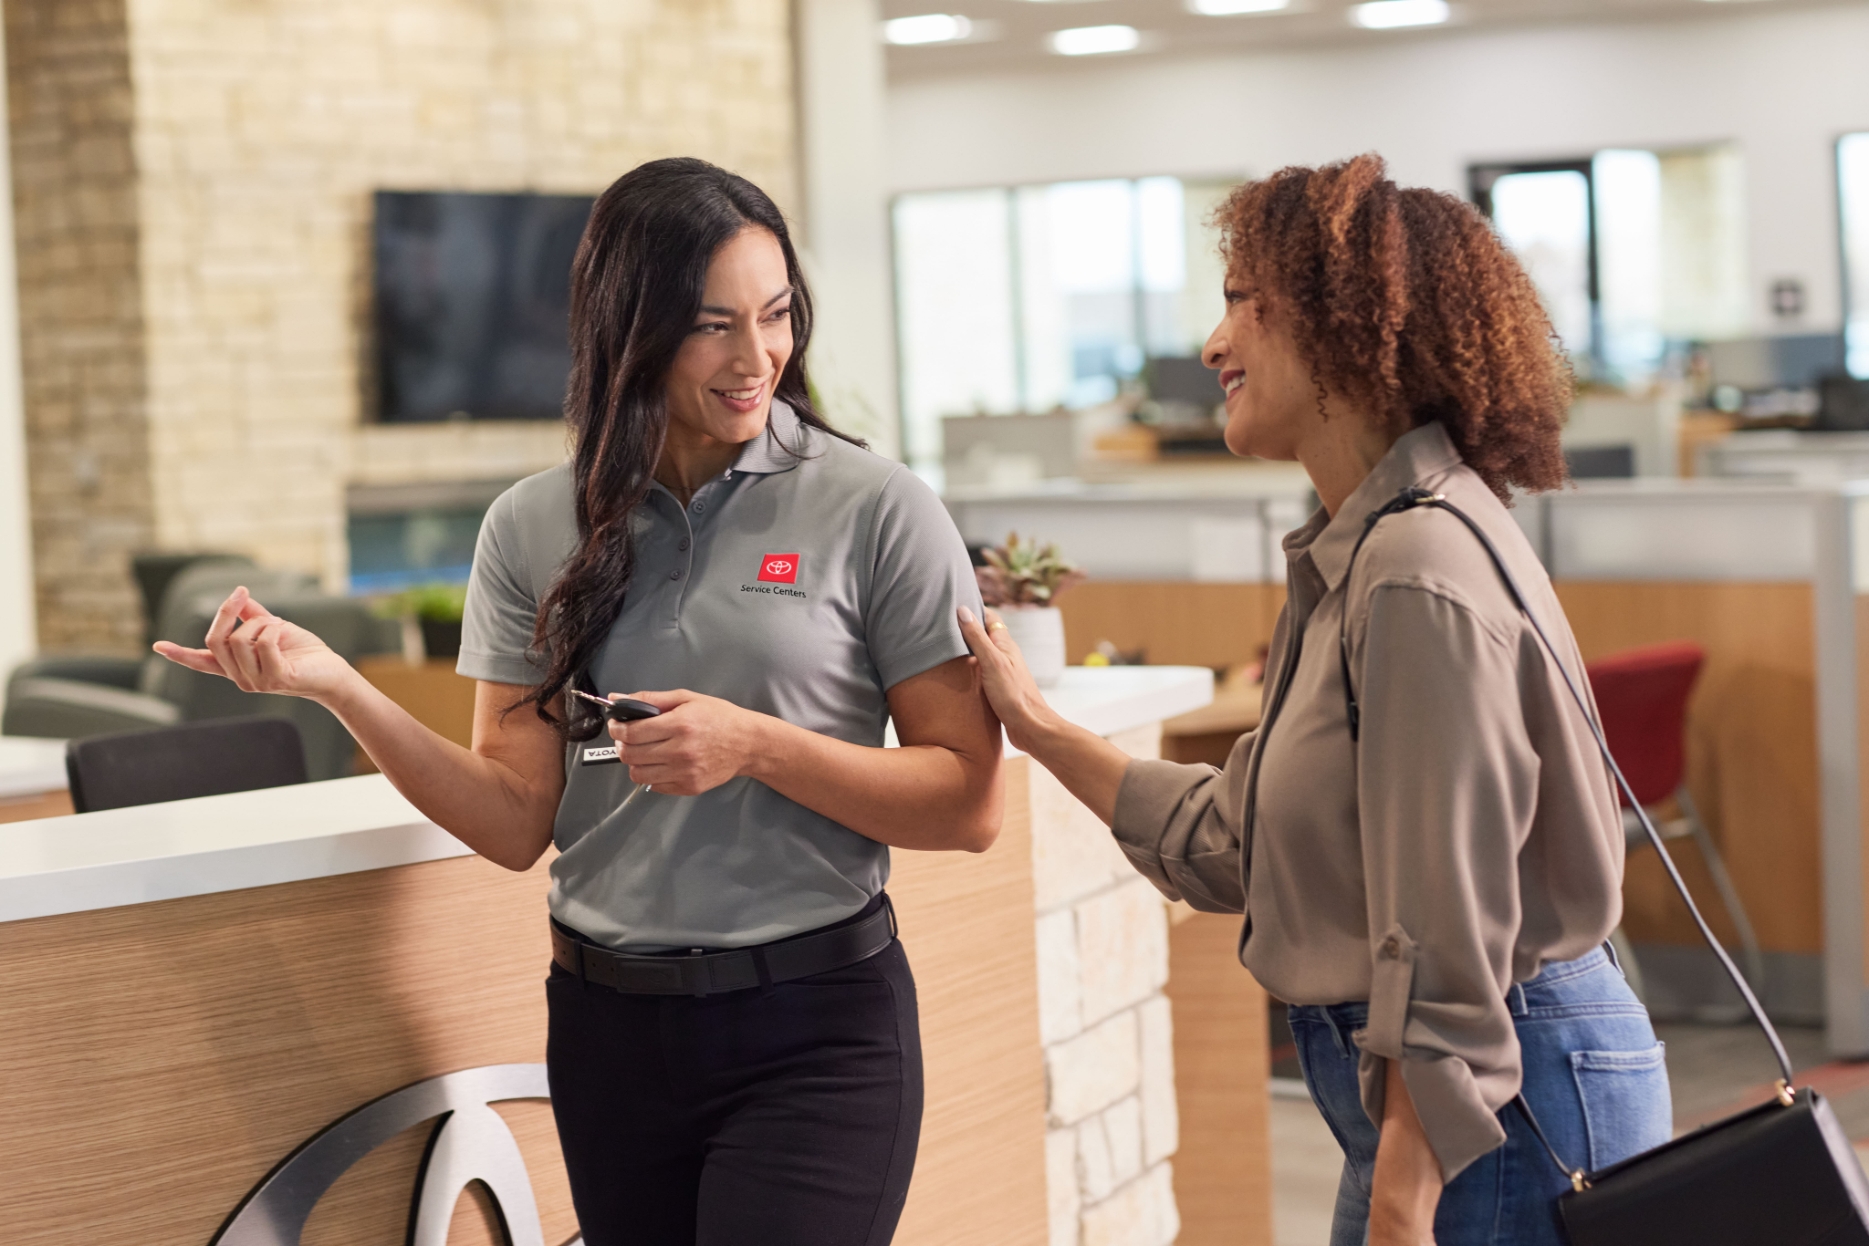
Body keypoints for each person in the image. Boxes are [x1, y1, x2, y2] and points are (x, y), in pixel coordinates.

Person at [155, 157, 1002, 1246]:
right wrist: (338, 684)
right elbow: (514, 820)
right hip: (609, 1038)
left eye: (778, 314)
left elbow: (966, 800)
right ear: (630, 328)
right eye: (715, 326)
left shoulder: (877, 508)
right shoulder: (527, 527)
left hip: (816, 1030)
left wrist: (753, 744)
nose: (759, 359)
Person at [956, 155, 1671, 1246]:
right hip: (1456, 1099)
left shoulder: (1417, 565)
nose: (1214, 343)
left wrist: (1400, 1204)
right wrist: (1041, 725)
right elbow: (1239, 842)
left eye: (1248, 303)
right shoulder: (1362, 553)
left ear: (1348, 329)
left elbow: (1444, 937)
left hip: (1490, 1106)